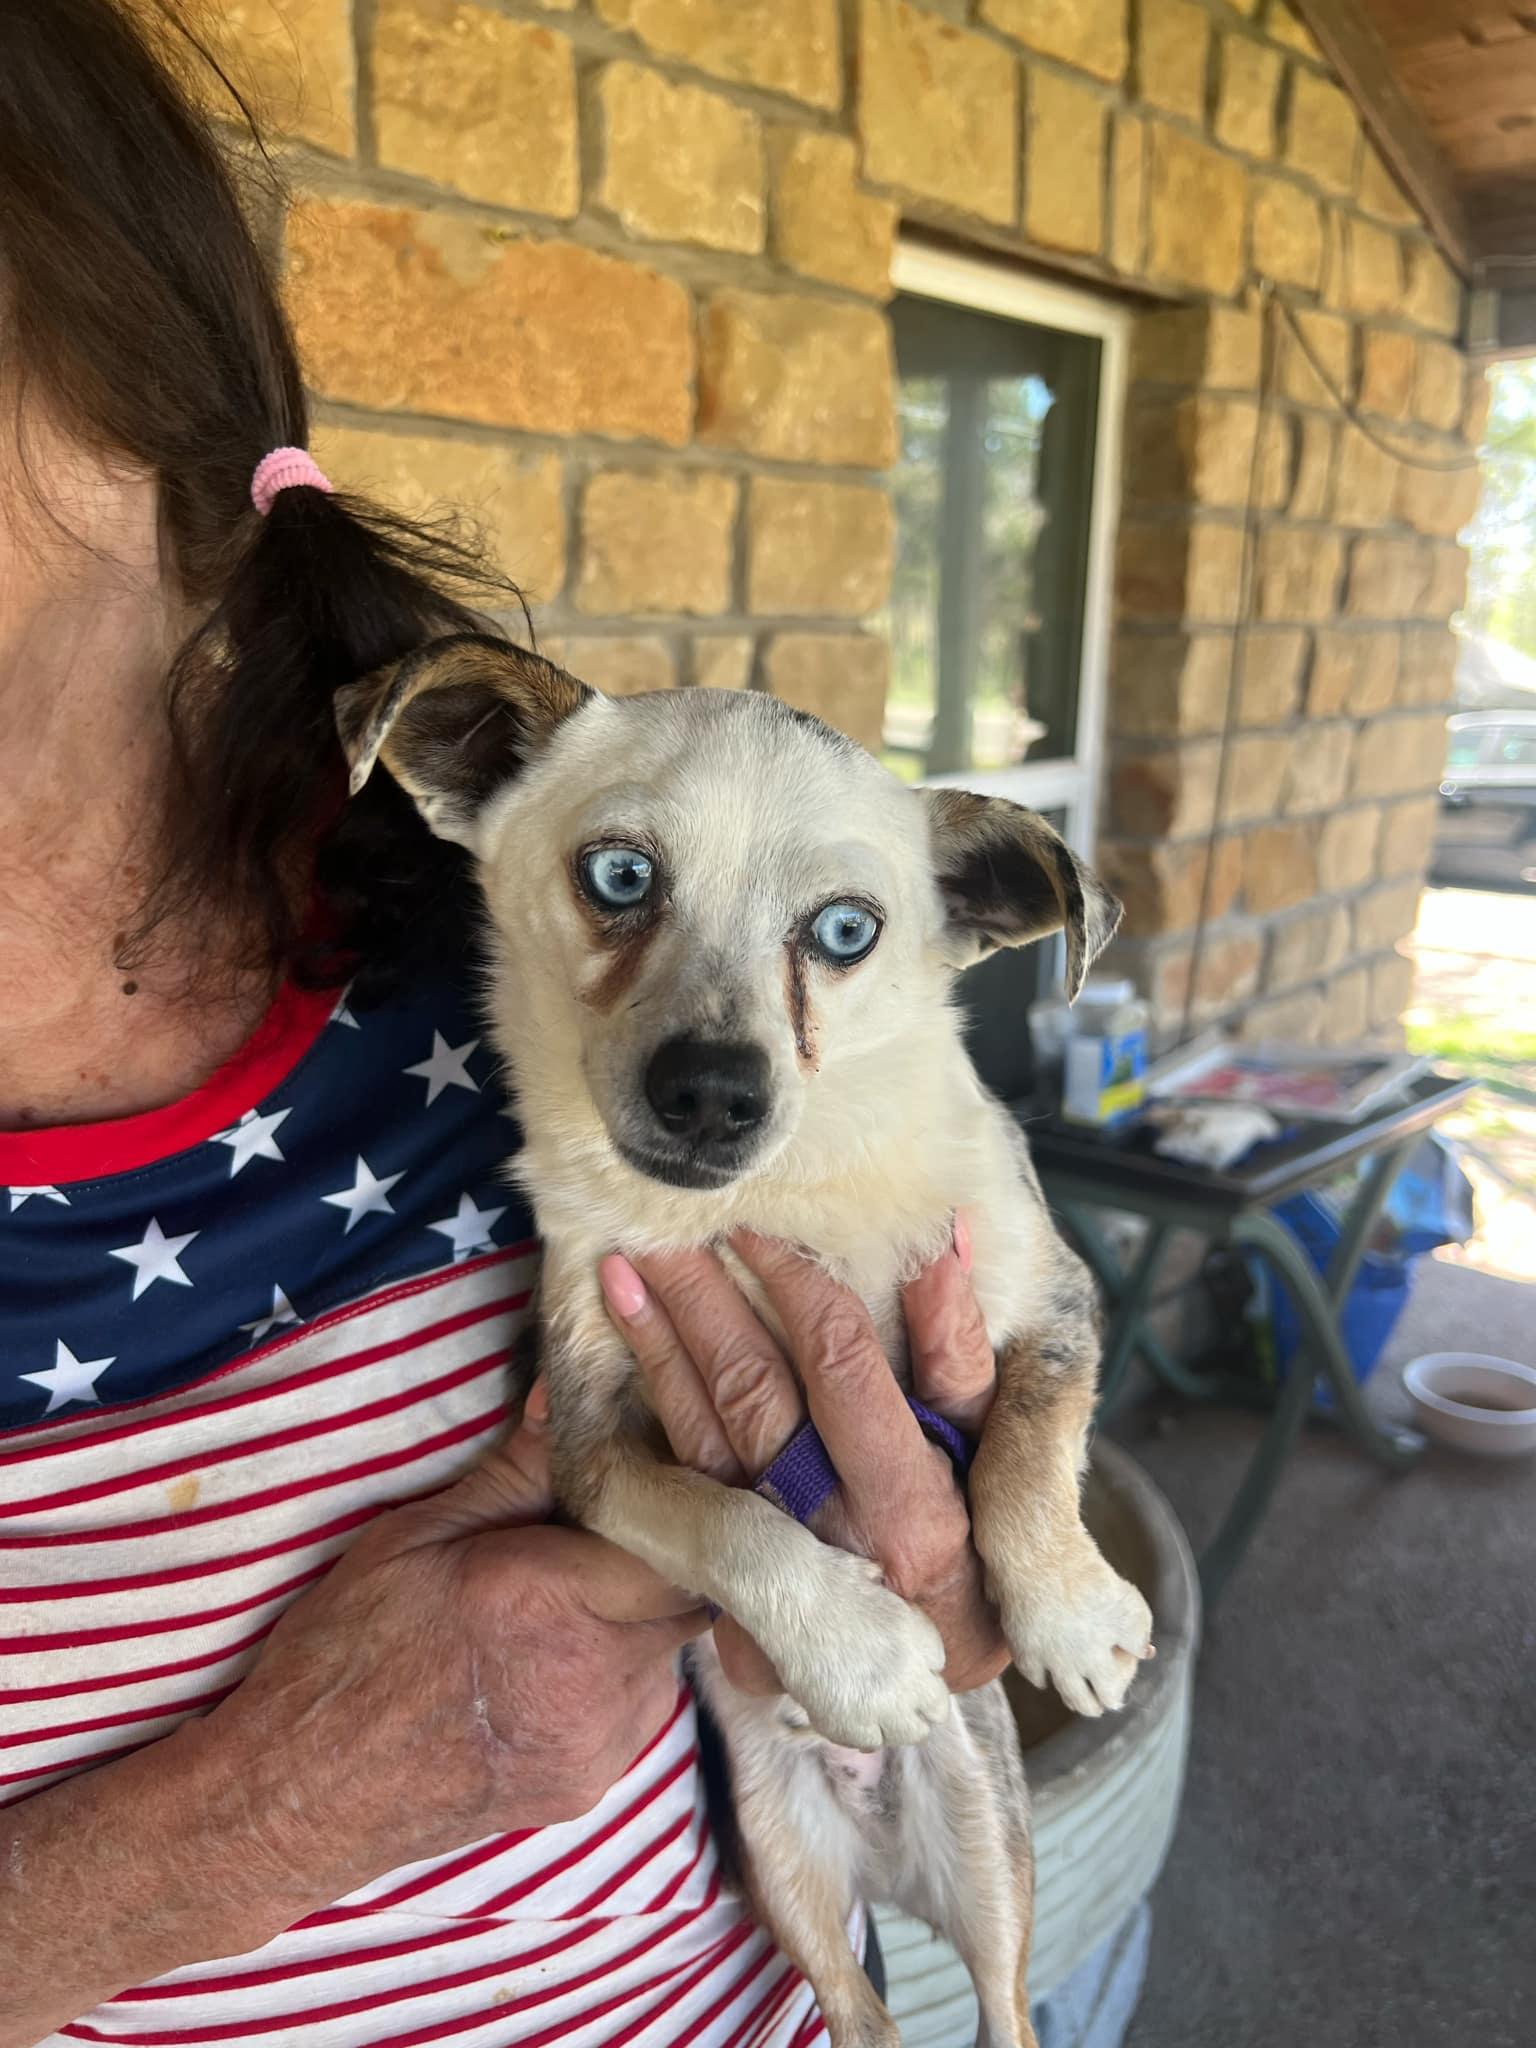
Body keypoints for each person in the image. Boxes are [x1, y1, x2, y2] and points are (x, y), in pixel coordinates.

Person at [0, 6, 1011, 2045]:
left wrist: (955, 1500)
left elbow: (922, 1458)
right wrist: (250, 1812)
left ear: (152, 398)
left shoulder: (535, 908)